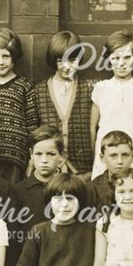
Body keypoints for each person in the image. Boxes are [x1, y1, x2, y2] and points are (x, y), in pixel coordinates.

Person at [0, 27, 39, 184]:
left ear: (14, 57)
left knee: (10, 198)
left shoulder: (24, 86)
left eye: (6, 56)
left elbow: (32, 125)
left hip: (15, 158)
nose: (0, 62)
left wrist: (31, 158)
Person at [29, 31, 95, 174]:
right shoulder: (39, 90)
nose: (66, 66)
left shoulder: (89, 89)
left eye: (71, 60)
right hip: (51, 169)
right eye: (60, 60)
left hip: (83, 168)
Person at [91, 30, 133, 178]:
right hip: (105, 154)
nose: (121, 63)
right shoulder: (100, 88)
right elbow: (93, 127)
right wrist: (96, 154)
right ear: (108, 58)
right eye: (115, 58)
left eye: (127, 57)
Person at [89, 130, 133, 215]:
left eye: (125, 155)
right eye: (113, 156)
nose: (120, 161)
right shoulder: (93, 188)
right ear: (102, 158)